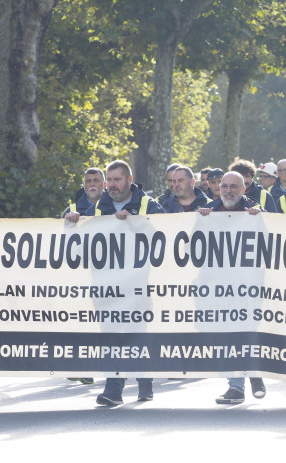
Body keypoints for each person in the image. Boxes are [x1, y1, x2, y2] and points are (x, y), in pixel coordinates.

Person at [86, 160, 165, 405]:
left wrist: (134, 221)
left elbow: (165, 235)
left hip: (138, 285)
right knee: (110, 336)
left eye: (117, 179)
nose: (111, 185)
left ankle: (144, 381)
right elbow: (82, 239)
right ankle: (113, 388)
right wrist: (73, 221)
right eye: (109, 180)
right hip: (106, 286)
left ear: (129, 180)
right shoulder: (99, 207)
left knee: (137, 334)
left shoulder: (147, 205)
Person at [197, 172, 266, 404]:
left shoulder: (255, 211)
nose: (227, 191)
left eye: (234, 187)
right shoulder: (208, 211)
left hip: (250, 286)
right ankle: (236, 386)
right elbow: (192, 247)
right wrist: (202, 221)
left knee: (248, 331)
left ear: (244, 189)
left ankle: (252, 374)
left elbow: (274, 237)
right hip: (219, 286)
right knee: (227, 334)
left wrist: (261, 218)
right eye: (223, 186)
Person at [62, 167, 106, 385]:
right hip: (80, 275)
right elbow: (58, 237)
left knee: (101, 322)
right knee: (80, 321)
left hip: (107, 274)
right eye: (88, 180)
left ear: (104, 184)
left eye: (96, 180)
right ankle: (82, 366)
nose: (92, 184)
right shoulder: (71, 209)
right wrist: (69, 223)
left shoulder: (111, 206)